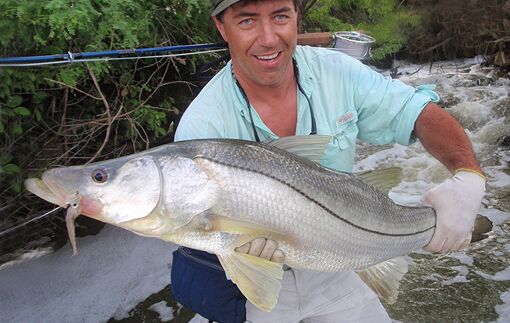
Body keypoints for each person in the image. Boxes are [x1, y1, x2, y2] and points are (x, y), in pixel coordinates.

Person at [170, 0, 486, 322]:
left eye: (280, 16)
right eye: (247, 21)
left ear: (296, 17)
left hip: (339, 256)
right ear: (222, 27)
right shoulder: (201, 126)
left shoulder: (337, 71)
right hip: (250, 283)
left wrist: (469, 177)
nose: (268, 38)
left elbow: (417, 113)